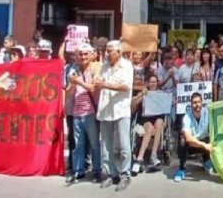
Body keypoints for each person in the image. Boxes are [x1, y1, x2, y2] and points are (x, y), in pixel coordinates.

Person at [95, 40, 134, 191]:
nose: (107, 53)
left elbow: (125, 86)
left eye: (110, 50)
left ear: (119, 52)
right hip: (105, 109)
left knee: (124, 144)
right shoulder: (104, 66)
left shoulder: (127, 66)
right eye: (106, 50)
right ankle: (112, 174)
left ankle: (125, 175)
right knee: (106, 146)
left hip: (121, 109)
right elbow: (99, 83)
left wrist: (104, 85)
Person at [65, 43, 102, 185]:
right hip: (76, 112)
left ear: (91, 55)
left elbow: (93, 88)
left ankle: (97, 171)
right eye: (80, 54)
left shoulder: (94, 70)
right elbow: (68, 94)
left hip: (90, 112)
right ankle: (78, 171)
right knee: (78, 144)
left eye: (86, 54)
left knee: (94, 144)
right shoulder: (74, 70)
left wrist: (78, 81)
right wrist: (72, 84)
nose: (83, 57)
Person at [173, 93, 214, 182]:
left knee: (213, 138)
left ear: (202, 102)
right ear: (191, 104)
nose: (197, 105)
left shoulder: (208, 112)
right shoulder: (187, 117)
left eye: (199, 102)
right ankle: (181, 168)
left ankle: (206, 160)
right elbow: (188, 138)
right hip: (192, 145)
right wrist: (204, 145)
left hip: (204, 142)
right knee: (182, 140)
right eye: (194, 102)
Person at [132, 74, 165, 169]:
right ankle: (140, 158)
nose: (153, 84)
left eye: (155, 82)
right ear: (148, 83)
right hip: (145, 119)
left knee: (159, 122)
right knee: (150, 128)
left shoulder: (160, 94)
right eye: (151, 82)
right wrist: (142, 95)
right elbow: (133, 105)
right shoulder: (144, 93)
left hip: (158, 117)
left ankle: (153, 155)